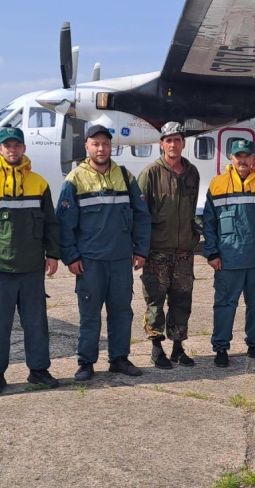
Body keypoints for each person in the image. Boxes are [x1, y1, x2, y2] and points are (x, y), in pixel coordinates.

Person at [0, 127, 61, 395]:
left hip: (32, 269)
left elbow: (51, 224)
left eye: (17, 145)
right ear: (0, 149)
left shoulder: (39, 183)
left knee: (37, 323)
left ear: (24, 148)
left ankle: (38, 370)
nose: (13, 150)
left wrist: (53, 254)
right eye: (8, 146)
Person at [57, 125, 151, 381]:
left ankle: (119, 358)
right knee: (89, 314)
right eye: (95, 144)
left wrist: (141, 250)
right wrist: (72, 257)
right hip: (90, 262)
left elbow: (142, 216)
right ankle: (86, 362)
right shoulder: (75, 179)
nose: (101, 148)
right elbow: (64, 223)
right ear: (86, 147)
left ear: (111, 147)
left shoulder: (125, 176)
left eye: (105, 144)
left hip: (121, 259)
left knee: (122, 312)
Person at [203, 139, 255, 367]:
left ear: (254, 159)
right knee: (225, 305)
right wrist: (212, 253)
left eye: (247, 156)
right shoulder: (217, 185)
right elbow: (208, 224)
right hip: (227, 260)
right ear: (232, 159)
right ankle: (221, 348)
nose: (243, 160)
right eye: (238, 156)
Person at [137, 121, 201, 368]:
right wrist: (141, 250)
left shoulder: (192, 172)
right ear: (161, 144)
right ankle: (156, 348)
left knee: (182, 300)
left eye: (177, 140)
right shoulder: (151, 173)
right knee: (155, 300)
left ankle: (177, 348)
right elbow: (140, 214)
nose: (173, 144)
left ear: (183, 143)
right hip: (157, 252)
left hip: (184, 251)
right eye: (168, 140)